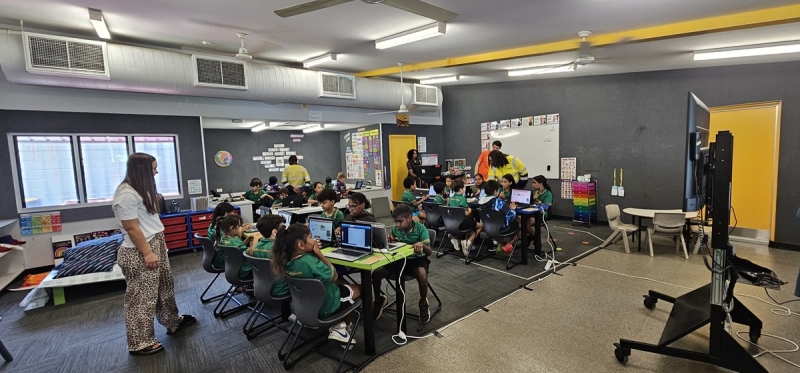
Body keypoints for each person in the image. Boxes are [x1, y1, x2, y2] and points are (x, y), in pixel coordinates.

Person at [112, 153, 196, 356]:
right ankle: (140, 342)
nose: (157, 172)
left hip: (154, 243)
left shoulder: (141, 190)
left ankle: (172, 320)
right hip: (140, 250)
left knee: (165, 286)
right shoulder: (126, 194)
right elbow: (132, 228)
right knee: (141, 298)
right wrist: (148, 253)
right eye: (153, 168)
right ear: (141, 170)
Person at [270, 223, 361, 346]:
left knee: (344, 284)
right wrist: (318, 253)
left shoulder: (285, 260)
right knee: (362, 288)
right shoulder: (308, 261)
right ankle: (340, 329)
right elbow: (334, 276)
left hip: (304, 307)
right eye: (311, 237)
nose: (313, 240)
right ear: (300, 245)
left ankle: (340, 324)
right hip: (327, 306)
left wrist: (311, 253)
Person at [371, 204, 432, 322]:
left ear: (409, 218)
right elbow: (392, 245)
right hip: (399, 259)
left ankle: (423, 302)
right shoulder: (396, 229)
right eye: (396, 221)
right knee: (376, 274)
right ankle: (379, 301)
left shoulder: (420, 228)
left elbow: (429, 252)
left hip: (416, 259)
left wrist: (422, 245)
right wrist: (390, 241)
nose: (397, 224)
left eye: (400, 221)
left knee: (422, 275)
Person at [245, 215, 290, 298]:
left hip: (260, 286)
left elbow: (248, 252)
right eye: (283, 228)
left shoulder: (256, 246)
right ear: (274, 232)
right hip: (280, 289)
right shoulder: (280, 249)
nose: (286, 230)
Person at [479, 179, 519, 255]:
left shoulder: (480, 202)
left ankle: (499, 245)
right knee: (520, 225)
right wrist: (512, 209)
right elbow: (511, 217)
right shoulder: (499, 202)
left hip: (487, 228)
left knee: (499, 220)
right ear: (495, 192)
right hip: (502, 229)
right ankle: (509, 245)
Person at [215, 214, 257, 283]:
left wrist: (248, 238)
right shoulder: (235, 241)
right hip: (245, 271)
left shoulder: (224, 238)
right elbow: (251, 253)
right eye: (240, 226)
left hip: (232, 270)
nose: (241, 228)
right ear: (231, 228)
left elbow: (239, 248)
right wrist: (256, 238)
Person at [449, 180, 483, 256]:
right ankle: (468, 242)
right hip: (461, 223)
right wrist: (470, 209)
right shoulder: (463, 198)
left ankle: (464, 240)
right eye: (464, 187)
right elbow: (466, 213)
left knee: (470, 222)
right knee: (481, 226)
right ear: (461, 189)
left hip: (452, 223)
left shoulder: (451, 199)